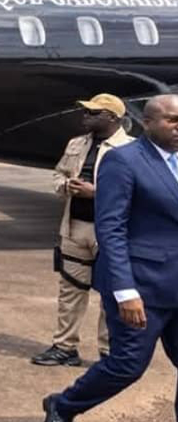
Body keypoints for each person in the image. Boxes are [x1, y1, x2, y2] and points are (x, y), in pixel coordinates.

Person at [43, 94, 178, 421]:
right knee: (127, 366)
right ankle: (62, 405)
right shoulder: (125, 161)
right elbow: (111, 228)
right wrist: (125, 291)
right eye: (173, 120)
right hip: (142, 286)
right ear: (147, 123)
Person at [32, 94, 133, 367]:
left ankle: (110, 354)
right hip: (75, 228)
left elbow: (137, 195)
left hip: (110, 234)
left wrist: (96, 193)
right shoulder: (76, 144)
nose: (85, 116)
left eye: (93, 112)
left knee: (111, 295)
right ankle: (65, 348)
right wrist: (67, 186)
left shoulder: (132, 150)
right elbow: (57, 175)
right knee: (70, 291)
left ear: (112, 118)